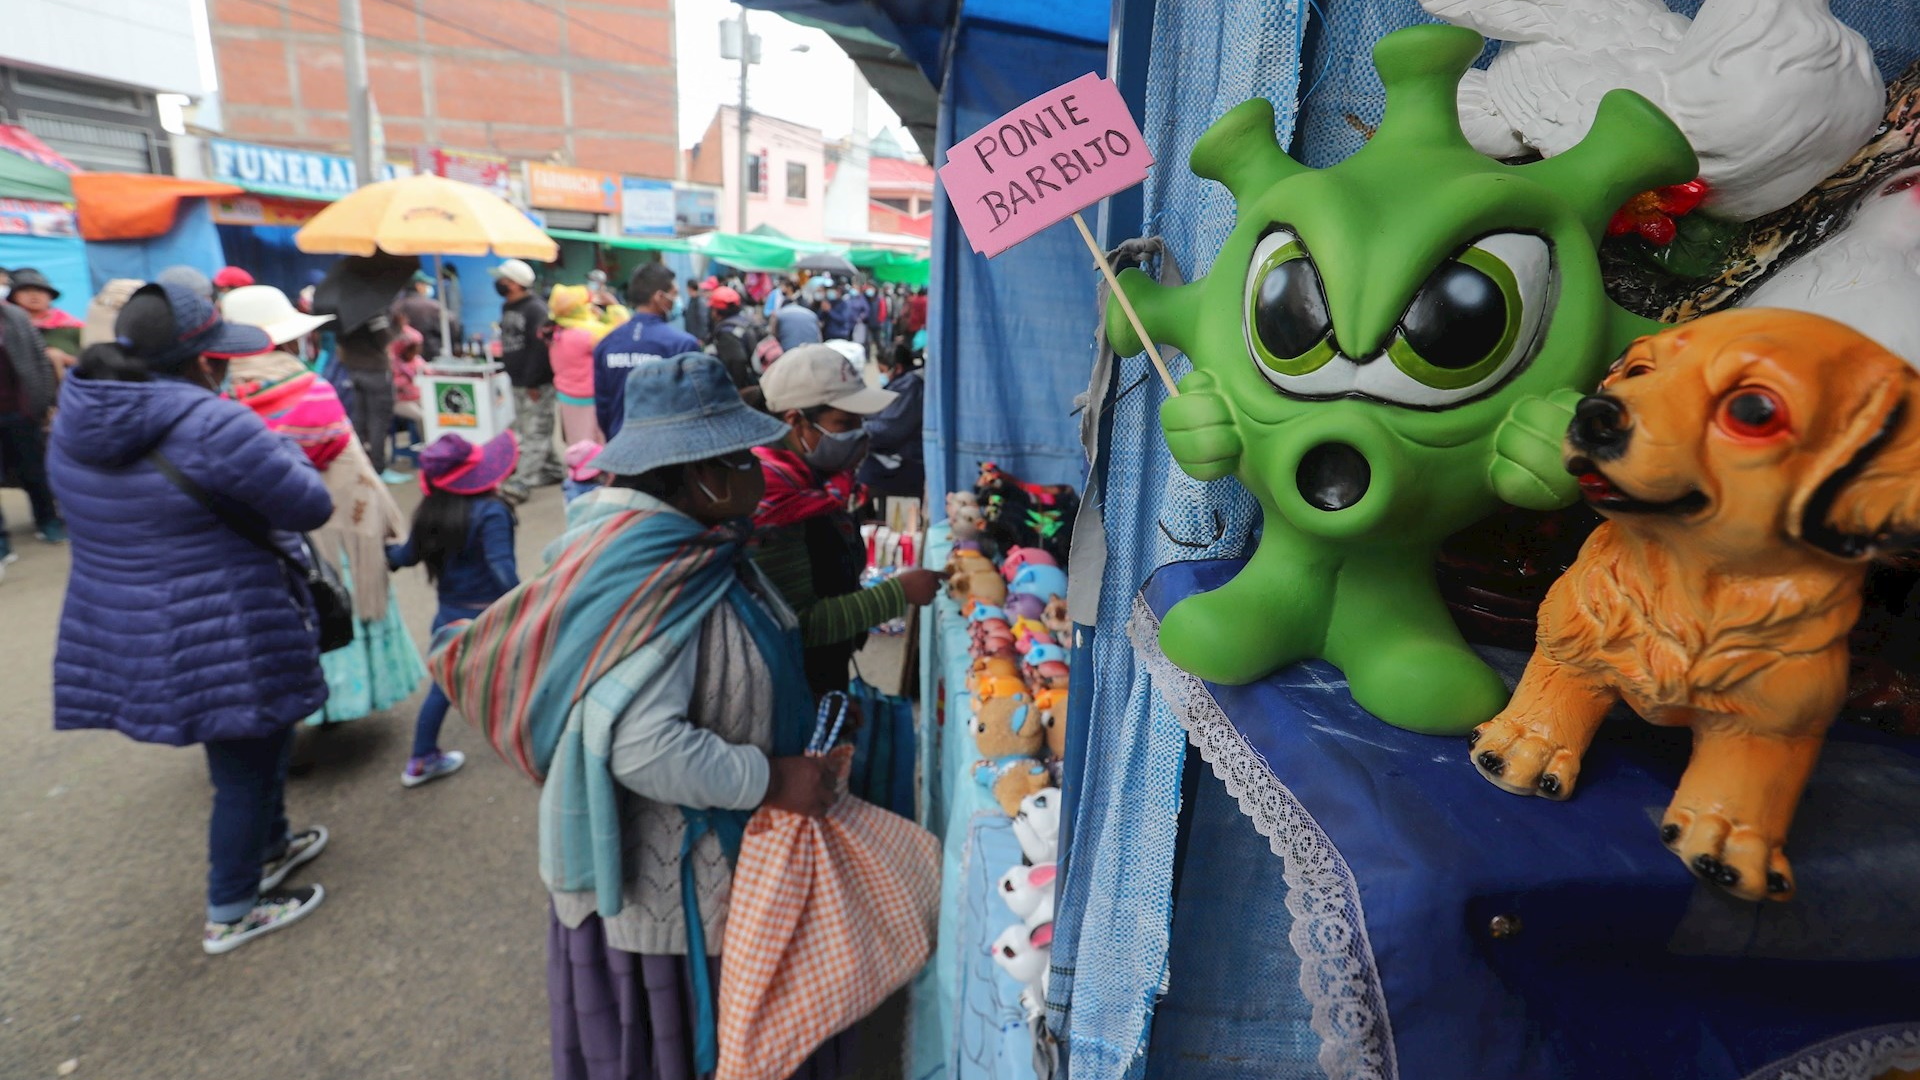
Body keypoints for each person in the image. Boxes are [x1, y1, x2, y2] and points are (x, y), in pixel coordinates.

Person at [429, 352, 841, 1080]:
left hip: (711, 875)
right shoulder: (655, 577)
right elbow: (644, 748)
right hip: (669, 903)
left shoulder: (697, 550)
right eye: (742, 458)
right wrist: (775, 779)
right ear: (702, 475)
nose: (755, 470)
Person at [49, 280, 333, 954]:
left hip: (132, 624)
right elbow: (309, 505)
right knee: (244, 761)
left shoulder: (75, 420)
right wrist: (282, 447)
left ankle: (271, 846)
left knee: (251, 739)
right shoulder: (215, 424)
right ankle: (231, 908)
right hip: (226, 622)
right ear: (204, 360)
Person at [223, 285, 429, 727]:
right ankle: (345, 701)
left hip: (268, 537)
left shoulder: (222, 401)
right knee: (337, 602)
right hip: (335, 526)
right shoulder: (311, 389)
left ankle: (305, 709)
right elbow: (353, 467)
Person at [752, 344, 941, 694]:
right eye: (844, 423)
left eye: (861, 421)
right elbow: (800, 623)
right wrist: (898, 593)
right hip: (793, 685)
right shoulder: (772, 503)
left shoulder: (823, 485)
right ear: (795, 421)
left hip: (827, 671)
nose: (860, 433)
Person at [388, 430, 521, 787]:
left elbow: (405, 556)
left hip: (449, 618)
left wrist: (381, 551)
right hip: (491, 619)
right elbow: (501, 568)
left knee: (443, 687)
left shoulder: (430, 512)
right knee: (524, 671)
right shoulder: (492, 511)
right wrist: (525, 603)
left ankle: (421, 758)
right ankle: (534, 741)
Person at [593, 262, 698, 440]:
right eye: (674, 294)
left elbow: (603, 407)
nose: (677, 301)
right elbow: (692, 405)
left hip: (621, 443)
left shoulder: (606, 344)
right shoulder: (683, 345)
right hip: (669, 445)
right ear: (659, 297)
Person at [493, 258, 563, 502]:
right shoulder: (508, 307)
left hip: (536, 383)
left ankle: (521, 482)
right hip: (518, 381)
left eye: (503, 279)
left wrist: (534, 381)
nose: (499, 283)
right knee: (531, 427)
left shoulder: (536, 309)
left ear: (515, 283)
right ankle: (553, 469)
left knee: (536, 431)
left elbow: (541, 349)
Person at [0, 295, 62, 567]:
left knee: (34, 470)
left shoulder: (14, 317)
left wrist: (44, 399)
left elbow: (40, 359)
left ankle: (47, 520)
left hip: (20, 410)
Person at [547, 283, 627, 447]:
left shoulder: (557, 331)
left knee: (577, 445)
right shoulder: (586, 336)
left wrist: (601, 317)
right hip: (590, 400)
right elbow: (622, 333)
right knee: (595, 447)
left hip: (567, 397)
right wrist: (614, 306)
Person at [857, 343, 926, 500]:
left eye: (882, 371)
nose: (881, 376)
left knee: (857, 475)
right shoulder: (904, 383)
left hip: (908, 461)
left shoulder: (910, 386)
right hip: (903, 453)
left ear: (898, 368)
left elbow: (888, 430)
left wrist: (857, 429)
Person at [6, 267, 84, 373]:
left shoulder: (72, 327)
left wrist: (65, 359)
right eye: (26, 290)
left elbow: (94, 361)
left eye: (40, 291)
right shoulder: (6, 326)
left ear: (50, 297)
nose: (34, 295)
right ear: (14, 297)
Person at [394, 269, 459, 360]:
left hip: (402, 360)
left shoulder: (395, 306)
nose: (428, 287)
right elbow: (453, 327)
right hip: (430, 358)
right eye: (426, 284)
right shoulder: (432, 307)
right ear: (418, 286)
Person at [707, 285, 762, 391]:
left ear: (716, 311)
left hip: (747, 388)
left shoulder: (726, 333)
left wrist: (737, 391)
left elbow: (737, 362)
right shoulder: (745, 321)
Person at [773, 284, 823, 352]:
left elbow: (774, 334)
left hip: (789, 350)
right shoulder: (810, 314)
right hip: (811, 350)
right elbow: (819, 337)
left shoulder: (780, 314)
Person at [684, 277, 714, 344]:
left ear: (689, 288)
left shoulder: (700, 301)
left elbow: (703, 320)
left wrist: (702, 338)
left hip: (699, 339)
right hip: (692, 336)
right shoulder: (692, 300)